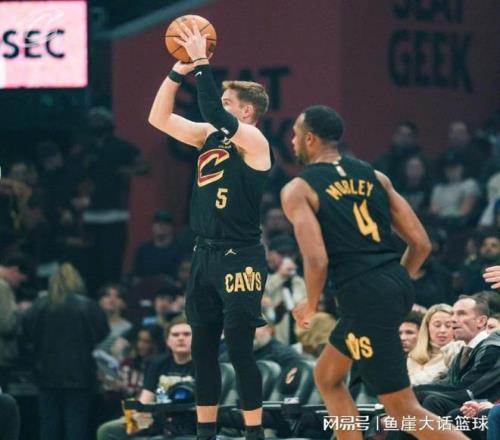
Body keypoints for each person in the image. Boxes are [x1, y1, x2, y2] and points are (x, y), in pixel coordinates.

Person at [281, 105, 468, 439]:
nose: (292, 140)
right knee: (327, 376)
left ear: (309, 138)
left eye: (295, 134)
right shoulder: (376, 176)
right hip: (392, 282)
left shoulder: (298, 188)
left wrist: (310, 304)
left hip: (362, 295)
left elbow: (317, 259)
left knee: (402, 409)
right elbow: (421, 244)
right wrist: (393, 284)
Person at [148, 19, 272, 440]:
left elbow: (212, 111)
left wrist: (202, 60)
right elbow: (158, 118)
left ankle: (254, 433)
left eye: (228, 100)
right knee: (203, 351)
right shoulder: (207, 136)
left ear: (246, 111)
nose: (219, 104)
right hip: (204, 254)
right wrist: (177, 70)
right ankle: (206, 433)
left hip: (241, 255)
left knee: (239, 350)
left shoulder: (254, 141)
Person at [23, 263, 109, 440]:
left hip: (46, 373)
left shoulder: (40, 305)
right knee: (77, 424)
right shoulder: (88, 305)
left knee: (48, 423)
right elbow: (103, 332)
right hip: (81, 373)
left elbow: (25, 335)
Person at [97, 316, 194, 440]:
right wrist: (137, 419)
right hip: (157, 419)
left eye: (186, 334)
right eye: (175, 335)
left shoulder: (205, 366)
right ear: (167, 340)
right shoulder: (157, 364)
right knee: (107, 430)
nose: (180, 338)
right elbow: (146, 399)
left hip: (190, 422)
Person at [407, 304, 462, 385]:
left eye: (448, 325)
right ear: (427, 327)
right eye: (437, 325)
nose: (442, 330)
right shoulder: (413, 357)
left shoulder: (459, 351)